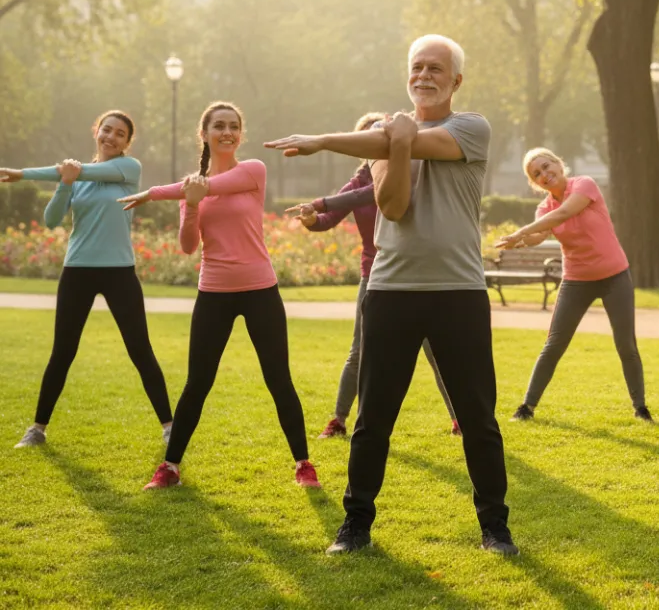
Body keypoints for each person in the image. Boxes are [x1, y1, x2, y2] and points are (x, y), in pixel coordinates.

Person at [264, 34, 517, 557]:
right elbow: (395, 206)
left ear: (456, 80)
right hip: (390, 290)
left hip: (458, 291)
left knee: (478, 418)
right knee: (373, 417)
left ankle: (495, 527)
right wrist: (390, 142)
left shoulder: (472, 127)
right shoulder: (380, 141)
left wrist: (349, 138)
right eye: (416, 67)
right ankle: (355, 526)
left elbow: (420, 143)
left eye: (435, 69)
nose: (424, 75)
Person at [121, 102, 320, 492]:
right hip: (214, 291)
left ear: (240, 134)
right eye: (218, 126)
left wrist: (156, 193)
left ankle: (303, 463)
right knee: (198, 383)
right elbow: (186, 245)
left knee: (279, 379)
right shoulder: (190, 190)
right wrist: (190, 204)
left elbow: (214, 185)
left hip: (261, 289)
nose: (226, 132)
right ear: (205, 133)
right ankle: (171, 467)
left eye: (233, 127)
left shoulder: (253, 172)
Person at [2, 111, 173, 449]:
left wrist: (21, 174)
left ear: (127, 142)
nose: (111, 137)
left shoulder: (129, 169)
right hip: (78, 270)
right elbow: (52, 220)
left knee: (140, 349)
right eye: (106, 130)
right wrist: (65, 183)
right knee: (63, 351)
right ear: (96, 130)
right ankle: (37, 429)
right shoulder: (74, 176)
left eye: (120, 134)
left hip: (119, 271)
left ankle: (169, 427)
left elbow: (82, 170)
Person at [287, 112, 459, 439]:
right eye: (369, 137)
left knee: (435, 351)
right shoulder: (356, 181)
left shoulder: (409, 172)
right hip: (375, 276)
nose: (376, 141)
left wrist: (321, 201)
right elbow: (327, 220)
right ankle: (338, 421)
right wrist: (311, 218)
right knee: (360, 350)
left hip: (416, 274)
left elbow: (364, 196)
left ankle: (459, 420)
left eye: (382, 135)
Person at [499, 148, 650, 422]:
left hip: (615, 276)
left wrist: (522, 231)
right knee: (554, 344)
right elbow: (541, 232)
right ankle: (526, 408)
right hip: (576, 281)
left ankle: (640, 408)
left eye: (547, 167)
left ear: (559, 163)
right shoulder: (544, 208)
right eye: (537, 174)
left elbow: (564, 214)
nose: (544, 175)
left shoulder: (584, 185)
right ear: (534, 183)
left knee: (625, 344)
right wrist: (520, 241)